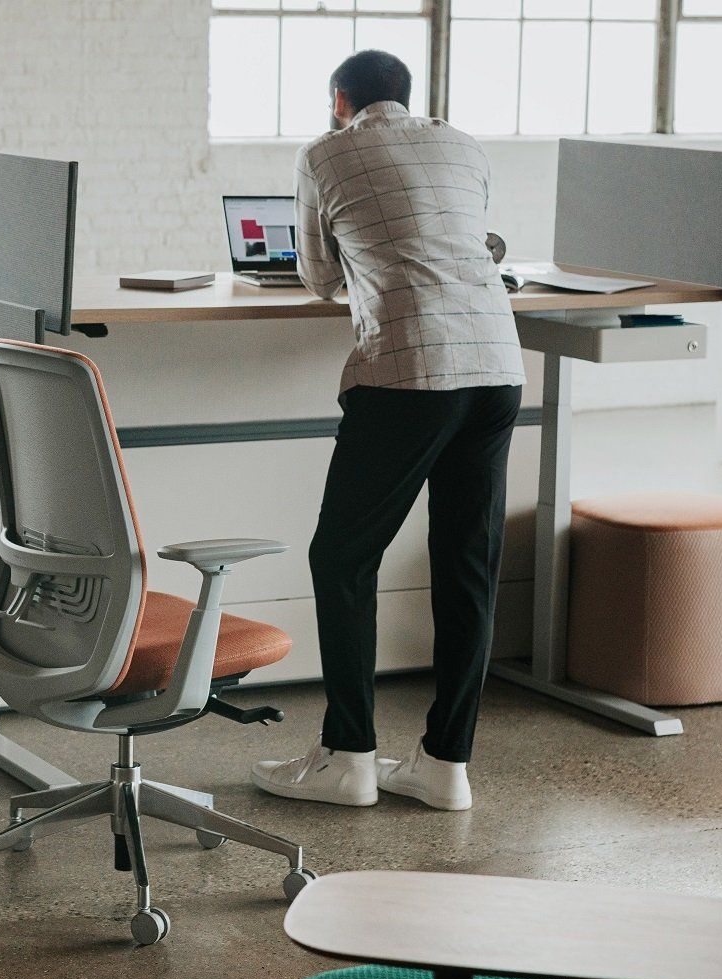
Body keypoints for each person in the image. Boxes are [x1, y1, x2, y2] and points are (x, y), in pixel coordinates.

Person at [251, 51, 524, 813]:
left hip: (411, 371)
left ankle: (349, 757)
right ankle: (446, 767)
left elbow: (318, 276)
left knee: (341, 556)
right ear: (408, 98)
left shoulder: (325, 153)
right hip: (498, 367)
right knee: (467, 561)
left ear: (340, 100)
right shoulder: (464, 146)